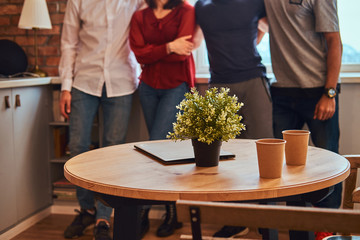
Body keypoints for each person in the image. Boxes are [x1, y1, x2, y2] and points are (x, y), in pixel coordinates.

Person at [58, 0, 143, 239]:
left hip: (121, 80)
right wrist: (65, 87)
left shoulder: (135, 1)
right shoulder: (78, 1)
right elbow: (68, 44)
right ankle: (86, 208)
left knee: (113, 153)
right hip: (84, 81)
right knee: (77, 147)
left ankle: (103, 218)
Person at [263, 0, 342, 239]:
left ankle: (327, 229)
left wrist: (330, 93)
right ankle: (298, 231)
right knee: (287, 167)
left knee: (329, 160)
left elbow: (334, 41)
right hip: (283, 92)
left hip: (319, 90)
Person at [195, 0, 273, 237]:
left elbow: (275, 23)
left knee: (264, 153)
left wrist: (254, 38)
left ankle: (266, 218)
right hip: (219, 83)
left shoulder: (253, 3)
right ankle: (235, 219)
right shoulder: (201, 7)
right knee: (225, 157)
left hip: (253, 80)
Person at [129, 0, 197, 237]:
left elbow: (183, 54)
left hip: (176, 85)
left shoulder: (186, 11)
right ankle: (172, 213)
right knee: (164, 152)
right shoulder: (140, 16)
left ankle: (142, 212)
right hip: (148, 86)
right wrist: (169, 47)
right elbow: (138, 55)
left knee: (155, 146)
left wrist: (154, 51)